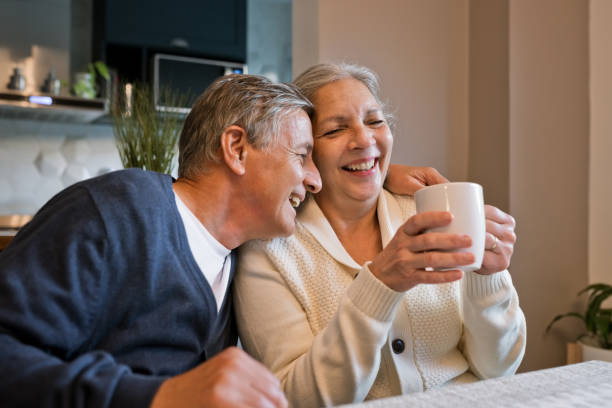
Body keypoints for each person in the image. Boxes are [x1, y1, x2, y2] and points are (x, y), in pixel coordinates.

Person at [0, 73, 444, 408]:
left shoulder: (243, 257)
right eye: (302, 156)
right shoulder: (118, 212)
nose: (313, 180)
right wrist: (160, 397)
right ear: (236, 149)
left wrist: (382, 177)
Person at [234, 63, 527, 407]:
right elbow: (302, 399)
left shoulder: (431, 215)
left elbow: (498, 368)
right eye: (334, 130)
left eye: (375, 122)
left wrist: (488, 279)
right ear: (305, 150)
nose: (364, 140)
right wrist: (380, 284)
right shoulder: (269, 250)